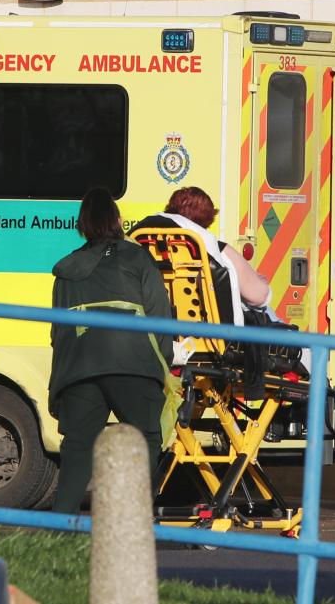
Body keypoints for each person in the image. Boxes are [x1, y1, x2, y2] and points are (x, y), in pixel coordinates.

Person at [49, 188, 174, 514]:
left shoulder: (65, 270)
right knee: (146, 437)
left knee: (77, 447)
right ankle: (131, 519)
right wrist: (162, 367)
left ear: (83, 225)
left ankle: (59, 530)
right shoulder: (137, 258)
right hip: (132, 363)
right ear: (117, 221)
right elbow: (160, 315)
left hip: (79, 367)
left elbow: (57, 332)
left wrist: (60, 382)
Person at [131, 186, 271, 329]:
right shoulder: (214, 249)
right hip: (210, 336)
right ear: (207, 221)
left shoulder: (140, 239)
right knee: (268, 313)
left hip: (151, 328)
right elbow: (259, 297)